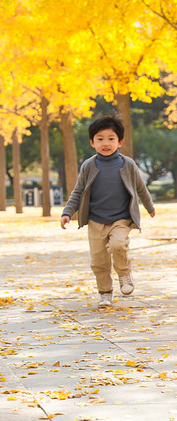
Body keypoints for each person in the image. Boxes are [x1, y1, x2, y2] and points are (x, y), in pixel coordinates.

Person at [61, 114, 155, 308]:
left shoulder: (127, 164)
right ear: (92, 142)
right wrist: (67, 212)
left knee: (118, 245)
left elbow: (140, 188)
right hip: (96, 220)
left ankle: (124, 273)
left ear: (119, 142)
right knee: (98, 261)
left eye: (111, 139)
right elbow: (78, 192)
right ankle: (105, 293)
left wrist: (149, 207)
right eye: (100, 139)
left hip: (121, 218)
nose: (106, 143)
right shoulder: (88, 166)